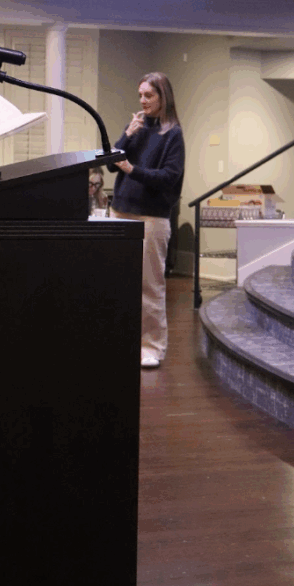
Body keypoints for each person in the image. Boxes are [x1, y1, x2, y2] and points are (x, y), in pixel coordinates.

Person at [109, 73, 185, 370]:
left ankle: (151, 346)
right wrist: (127, 135)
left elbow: (169, 177)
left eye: (148, 96)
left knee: (149, 285)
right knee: (118, 282)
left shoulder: (173, 134)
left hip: (151, 216)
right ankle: (121, 339)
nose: (142, 101)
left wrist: (132, 169)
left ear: (162, 97)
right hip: (120, 210)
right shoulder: (137, 127)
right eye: (140, 95)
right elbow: (110, 161)